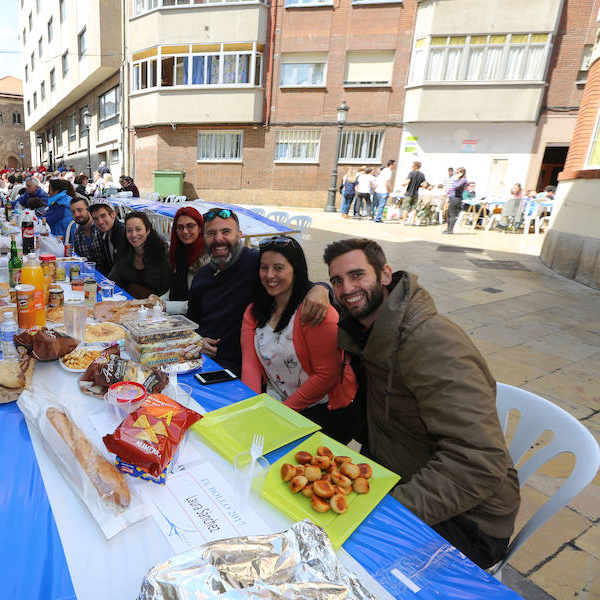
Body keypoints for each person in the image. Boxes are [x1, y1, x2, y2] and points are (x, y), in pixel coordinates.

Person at [323, 238, 520, 569]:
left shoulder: (431, 343)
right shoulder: (367, 333)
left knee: (340, 563)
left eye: (358, 275)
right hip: (398, 475)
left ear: (385, 275)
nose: (347, 288)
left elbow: (479, 462)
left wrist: (385, 515)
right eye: (337, 281)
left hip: (468, 521)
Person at [186, 208, 332, 375]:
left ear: (239, 235)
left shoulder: (258, 264)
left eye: (226, 231)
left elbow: (299, 284)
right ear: (204, 238)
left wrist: (321, 289)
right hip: (204, 362)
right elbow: (193, 324)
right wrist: (197, 340)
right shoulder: (202, 277)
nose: (219, 238)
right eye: (211, 233)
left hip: (246, 367)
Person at [241, 236, 358, 443]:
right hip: (277, 401)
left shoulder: (315, 311)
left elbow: (327, 375)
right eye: (264, 267)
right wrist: (250, 409)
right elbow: (250, 365)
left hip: (322, 410)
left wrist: (281, 414)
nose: (269, 275)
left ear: (295, 270)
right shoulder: (254, 311)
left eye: (278, 268)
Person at [108, 211, 172, 298]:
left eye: (138, 229)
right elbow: (113, 279)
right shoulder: (124, 251)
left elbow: (166, 289)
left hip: (155, 305)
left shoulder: (162, 253)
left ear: (148, 230)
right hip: (127, 303)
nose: (134, 235)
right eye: (129, 230)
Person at [163, 206, 208, 315]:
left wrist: (165, 306)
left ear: (200, 227)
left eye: (190, 226)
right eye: (180, 227)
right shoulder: (179, 252)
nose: (185, 231)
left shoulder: (207, 257)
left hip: (197, 319)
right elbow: (174, 290)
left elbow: (203, 302)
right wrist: (156, 301)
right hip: (176, 314)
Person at [87, 200, 126, 276]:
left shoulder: (123, 233)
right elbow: (105, 265)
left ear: (113, 214)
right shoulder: (105, 234)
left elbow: (122, 269)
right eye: (95, 218)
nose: (100, 222)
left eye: (103, 216)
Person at [70, 196, 105, 264]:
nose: (76, 214)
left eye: (79, 210)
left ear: (88, 210)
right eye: (73, 212)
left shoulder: (101, 226)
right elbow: (79, 260)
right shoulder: (77, 234)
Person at [444, 167, 468, 234]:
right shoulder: (458, 180)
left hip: (457, 198)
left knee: (452, 214)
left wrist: (457, 178)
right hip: (452, 198)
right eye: (456, 172)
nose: (456, 174)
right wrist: (447, 194)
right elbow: (451, 189)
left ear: (462, 173)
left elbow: (456, 186)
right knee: (448, 213)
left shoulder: (463, 180)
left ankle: (450, 230)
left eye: (457, 172)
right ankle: (448, 229)